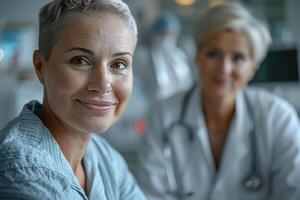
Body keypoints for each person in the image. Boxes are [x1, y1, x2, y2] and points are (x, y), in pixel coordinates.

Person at [135, 2, 300, 200]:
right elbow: (150, 194)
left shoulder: (277, 117)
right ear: (197, 56)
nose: (224, 68)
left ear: (253, 67)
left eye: (238, 58)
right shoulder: (164, 115)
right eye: (213, 54)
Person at [0, 0, 146, 199]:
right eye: (80, 61)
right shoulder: (20, 173)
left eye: (119, 64)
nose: (103, 84)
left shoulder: (106, 159)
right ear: (41, 66)